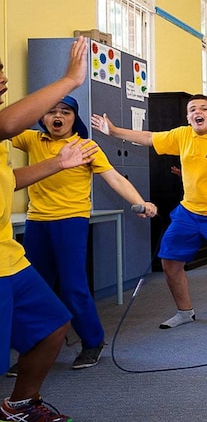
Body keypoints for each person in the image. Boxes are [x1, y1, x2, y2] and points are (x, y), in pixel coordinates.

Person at [91, 94, 207, 334]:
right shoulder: (182, 135)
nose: (198, 112)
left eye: (204, 108)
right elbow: (149, 138)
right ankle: (185, 312)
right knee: (170, 263)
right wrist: (113, 131)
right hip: (189, 211)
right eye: (193, 109)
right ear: (188, 117)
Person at [9, 95, 157, 372]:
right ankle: (35, 348)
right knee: (35, 288)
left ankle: (92, 341)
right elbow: (8, 125)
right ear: (42, 116)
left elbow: (113, 176)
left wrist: (141, 201)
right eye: (50, 111)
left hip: (71, 221)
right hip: (37, 221)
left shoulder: (86, 146)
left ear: (73, 117)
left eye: (65, 112)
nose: (58, 116)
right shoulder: (32, 140)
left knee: (72, 286)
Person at [0, 36, 92, 421]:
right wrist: (70, 79)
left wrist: (59, 163)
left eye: (2, 71)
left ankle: (20, 405)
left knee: (53, 325)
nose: (3, 78)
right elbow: (7, 123)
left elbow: (10, 179)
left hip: (9, 257)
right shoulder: (7, 127)